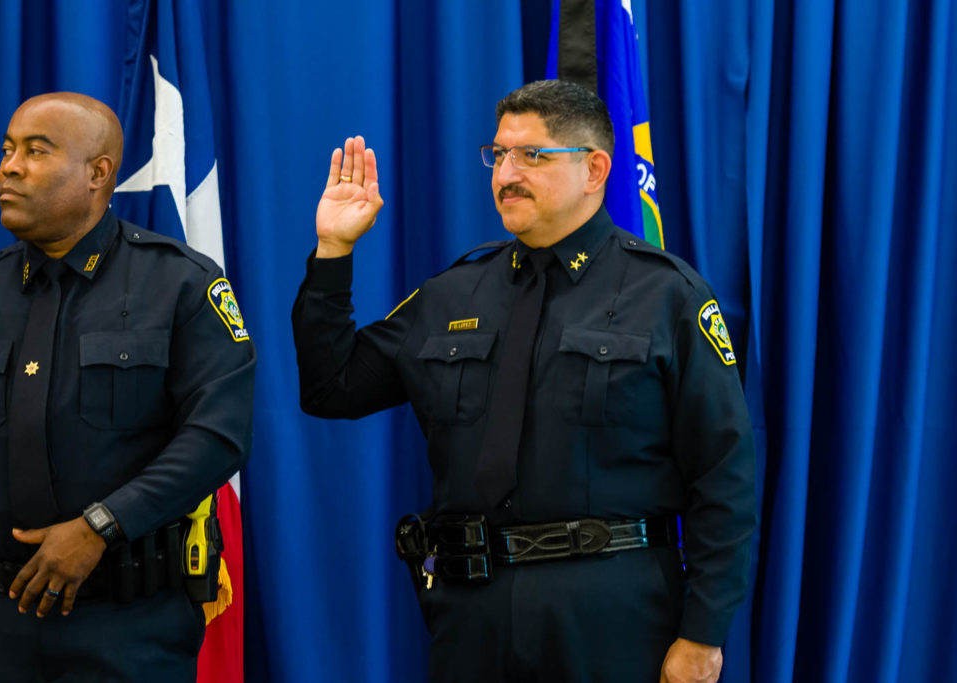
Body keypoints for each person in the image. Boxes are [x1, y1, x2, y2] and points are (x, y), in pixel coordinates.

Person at [292, 80, 754, 683]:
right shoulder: (454, 292)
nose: (506, 173)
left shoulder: (666, 295)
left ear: (594, 170)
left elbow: (726, 476)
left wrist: (702, 635)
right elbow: (333, 387)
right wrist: (333, 251)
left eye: (532, 155)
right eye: (499, 154)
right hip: (471, 617)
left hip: (612, 617)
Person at [0, 92, 255, 681]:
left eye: (36, 150)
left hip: (127, 622)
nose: (9, 166)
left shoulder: (180, 284)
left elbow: (217, 435)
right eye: (7, 150)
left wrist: (101, 525)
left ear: (98, 173)